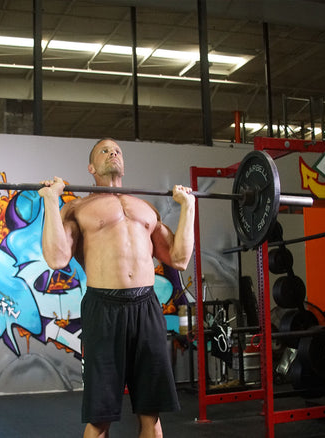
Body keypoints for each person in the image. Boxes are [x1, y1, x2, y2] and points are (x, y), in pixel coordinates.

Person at [38, 138, 195, 438]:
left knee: (151, 413)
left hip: (146, 308)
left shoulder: (145, 208)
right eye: (104, 150)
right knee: (100, 418)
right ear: (91, 167)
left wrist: (189, 206)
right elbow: (57, 258)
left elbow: (179, 258)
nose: (113, 152)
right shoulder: (77, 208)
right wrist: (50, 200)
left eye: (117, 150)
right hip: (104, 309)